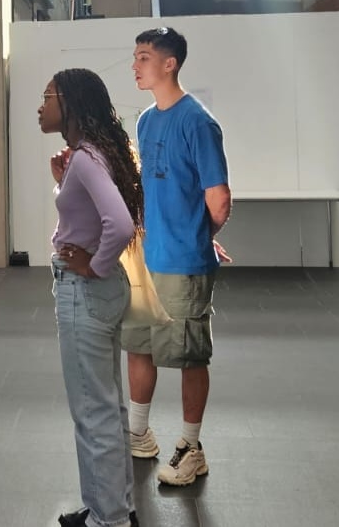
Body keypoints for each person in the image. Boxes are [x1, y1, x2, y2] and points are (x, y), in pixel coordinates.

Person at [125, 26, 231, 487]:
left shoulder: (199, 122)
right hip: (144, 260)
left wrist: (197, 235)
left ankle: (191, 447)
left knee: (189, 356)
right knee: (138, 345)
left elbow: (219, 200)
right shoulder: (146, 120)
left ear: (169, 64)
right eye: (135, 56)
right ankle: (137, 432)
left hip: (183, 262)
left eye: (144, 57)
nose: (135, 64)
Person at [38, 68, 141, 527]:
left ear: (72, 105)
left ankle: (108, 520)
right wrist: (62, 180)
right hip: (102, 293)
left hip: (85, 292)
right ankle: (114, 506)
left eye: (48, 97)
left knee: (91, 411)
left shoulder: (85, 158)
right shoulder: (92, 154)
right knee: (107, 406)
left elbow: (118, 224)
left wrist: (93, 264)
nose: (40, 107)